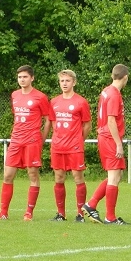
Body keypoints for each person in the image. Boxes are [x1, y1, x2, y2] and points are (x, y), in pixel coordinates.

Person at [0, 65, 52, 221]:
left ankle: (29, 213)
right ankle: (3, 213)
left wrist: (42, 139)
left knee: (32, 175)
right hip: (16, 140)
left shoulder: (40, 97)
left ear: (32, 78)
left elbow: (48, 120)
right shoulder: (15, 95)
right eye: (20, 77)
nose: (22, 80)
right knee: (7, 175)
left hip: (32, 141)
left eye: (25, 77)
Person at [81, 64, 130, 225]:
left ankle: (91, 204)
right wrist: (118, 144)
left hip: (104, 136)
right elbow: (111, 120)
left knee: (116, 175)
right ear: (125, 77)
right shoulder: (114, 94)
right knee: (114, 177)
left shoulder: (106, 91)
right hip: (110, 138)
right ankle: (110, 217)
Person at [48, 69, 91, 222]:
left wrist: (78, 140)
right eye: (62, 81)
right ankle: (61, 214)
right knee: (59, 178)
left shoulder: (81, 102)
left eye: (67, 81)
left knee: (78, 177)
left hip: (74, 147)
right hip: (58, 147)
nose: (64, 83)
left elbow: (87, 125)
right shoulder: (54, 102)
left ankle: (80, 214)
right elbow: (54, 123)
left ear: (74, 82)